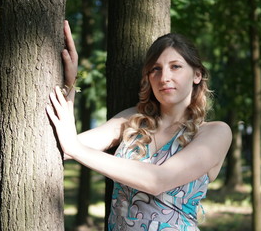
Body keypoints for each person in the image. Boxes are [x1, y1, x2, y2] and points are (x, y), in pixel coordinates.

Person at [47, 20, 232, 231]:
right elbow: (63, 147)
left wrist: (76, 148)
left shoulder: (215, 132)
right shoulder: (132, 120)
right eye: (156, 69)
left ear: (197, 75)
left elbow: (158, 180)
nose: (165, 77)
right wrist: (70, 84)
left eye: (176, 67)